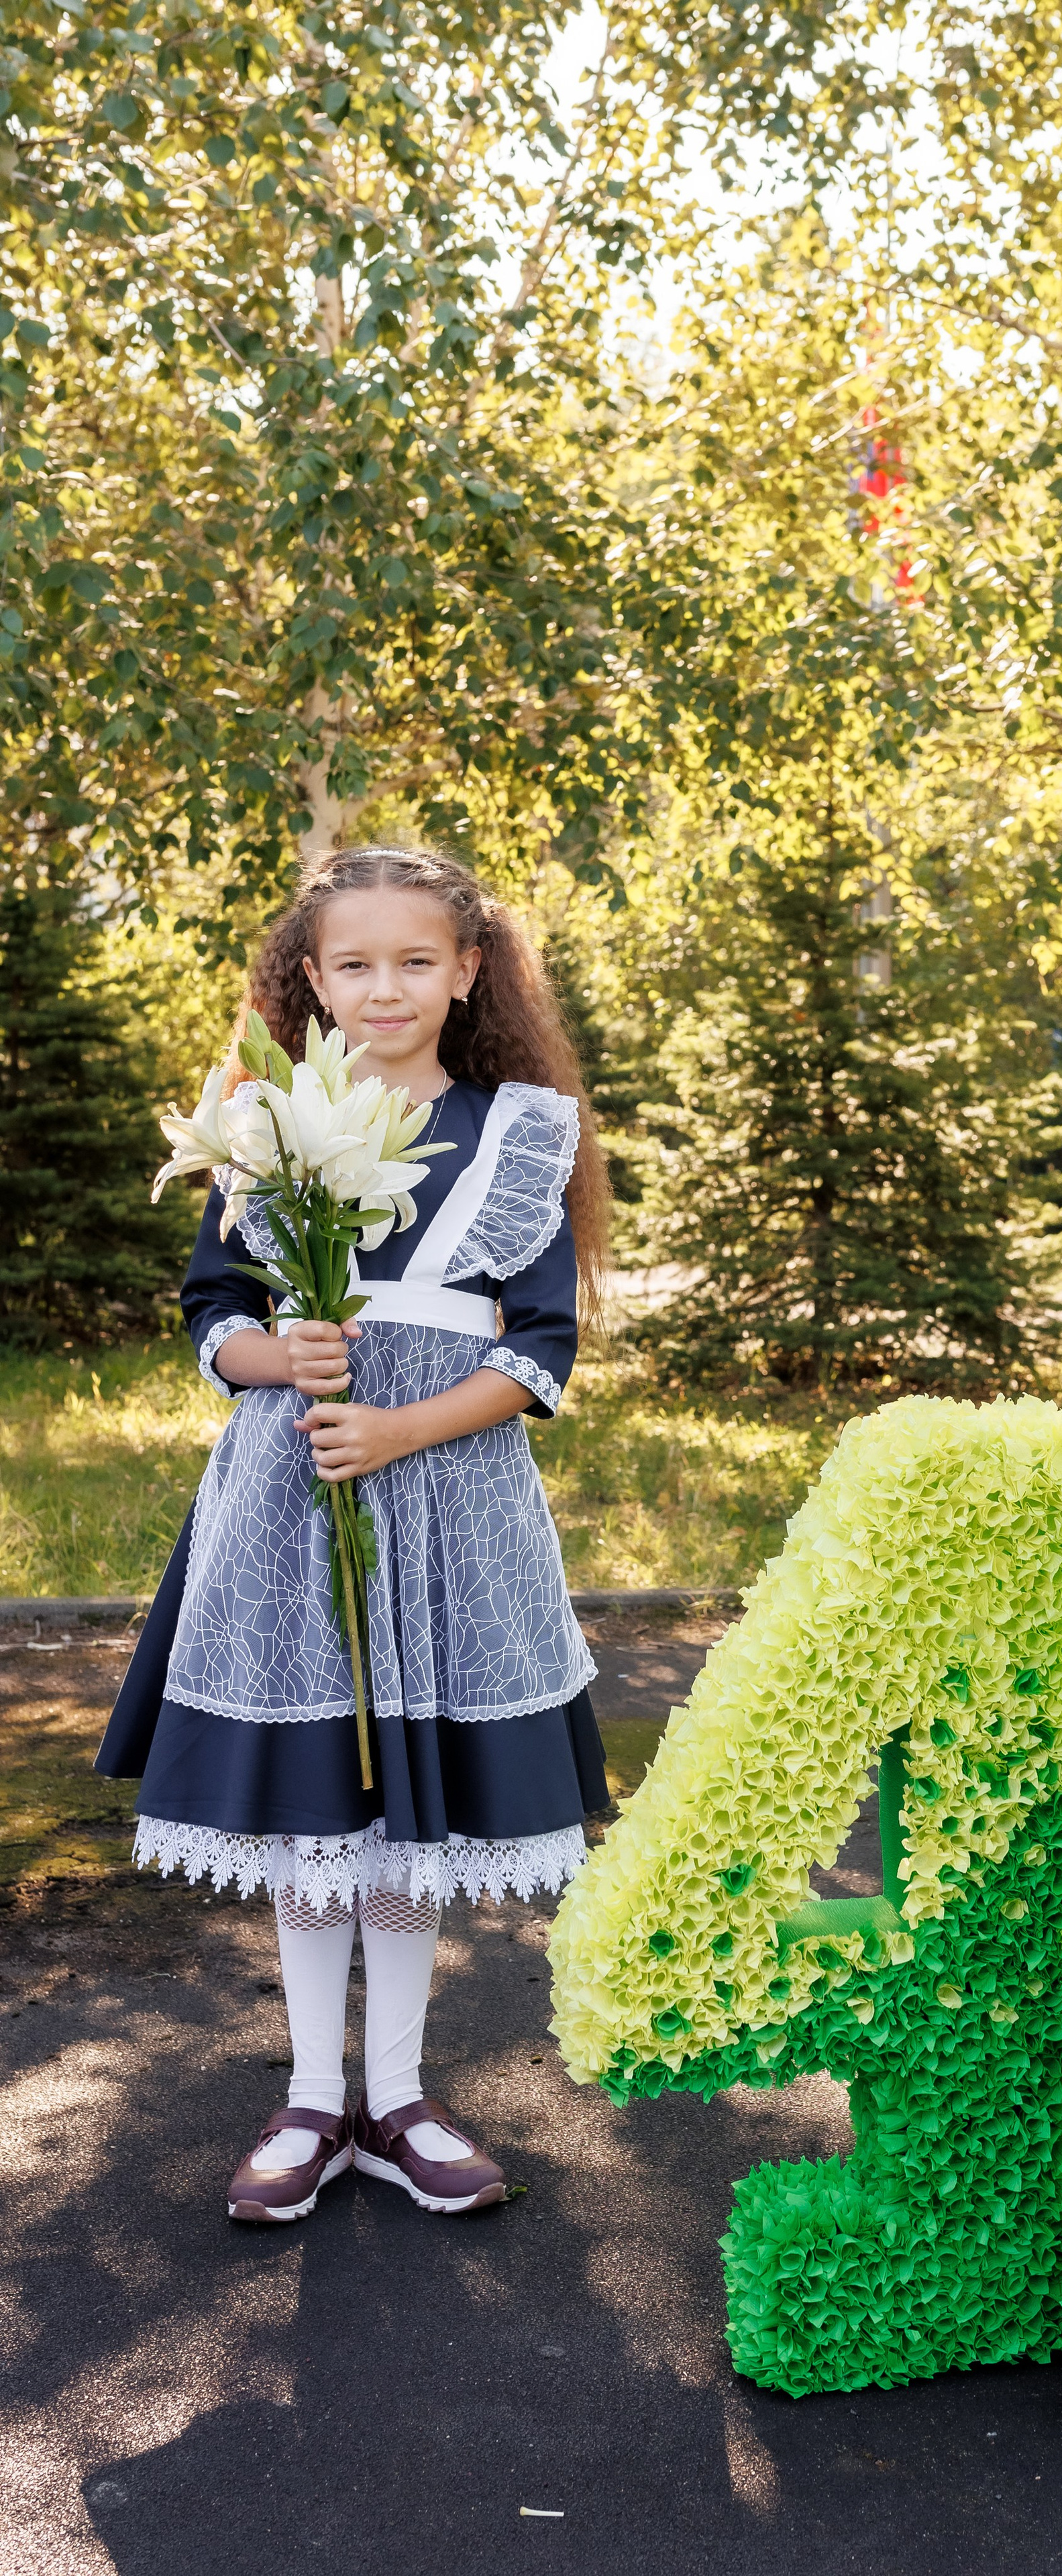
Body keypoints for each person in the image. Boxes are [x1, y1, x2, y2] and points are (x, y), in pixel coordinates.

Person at [97, 842, 612, 2222]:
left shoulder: (520, 1131)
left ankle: (397, 2094)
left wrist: (396, 1429)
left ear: (467, 972)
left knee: (406, 1817)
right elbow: (215, 1311)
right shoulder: (263, 1121)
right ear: (312, 982)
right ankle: (313, 2097)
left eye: (415, 961)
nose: (386, 988)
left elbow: (540, 1353)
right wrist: (283, 1359)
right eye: (355, 964)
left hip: (447, 1498)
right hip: (292, 1498)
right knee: (322, 1808)